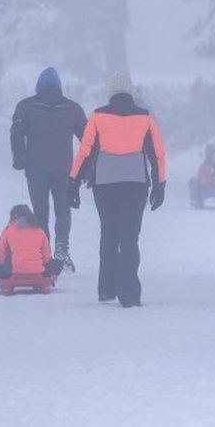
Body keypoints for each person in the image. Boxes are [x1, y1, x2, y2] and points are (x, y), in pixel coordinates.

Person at [69, 73, 167, 308]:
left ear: (110, 92)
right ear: (130, 92)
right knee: (130, 237)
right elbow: (157, 154)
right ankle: (129, 294)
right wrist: (160, 184)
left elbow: (86, 151)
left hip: (105, 183)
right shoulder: (145, 117)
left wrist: (73, 181)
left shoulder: (98, 116)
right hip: (135, 183)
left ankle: (106, 289)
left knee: (109, 233)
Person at [10, 67, 87, 273]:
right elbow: (88, 139)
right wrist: (84, 167)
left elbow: (16, 133)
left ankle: (42, 253)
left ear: (39, 87)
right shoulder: (72, 108)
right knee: (63, 210)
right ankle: (62, 247)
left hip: (36, 169)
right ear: (59, 87)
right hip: (64, 169)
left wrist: (20, 158)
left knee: (40, 213)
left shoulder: (26, 106)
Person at [0, 204, 63, 291]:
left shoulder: (7, 231)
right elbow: (46, 257)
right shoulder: (39, 230)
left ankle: (3, 284)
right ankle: (47, 282)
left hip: (12, 274)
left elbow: (0, 257)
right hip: (38, 273)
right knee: (57, 264)